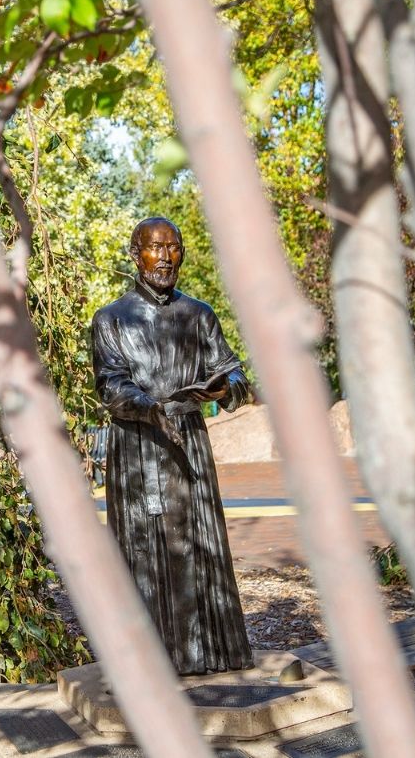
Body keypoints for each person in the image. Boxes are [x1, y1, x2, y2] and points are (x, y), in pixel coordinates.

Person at [90, 216, 254, 675]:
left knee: (198, 542)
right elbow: (111, 387)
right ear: (134, 253)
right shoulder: (111, 319)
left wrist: (227, 386)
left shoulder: (198, 314)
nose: (165, 258)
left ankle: (211, 653)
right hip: (139, 446)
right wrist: (152, 406)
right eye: (155, 248)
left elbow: (233, 369)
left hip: (189, 444)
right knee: (145, 552)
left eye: (174, 248)